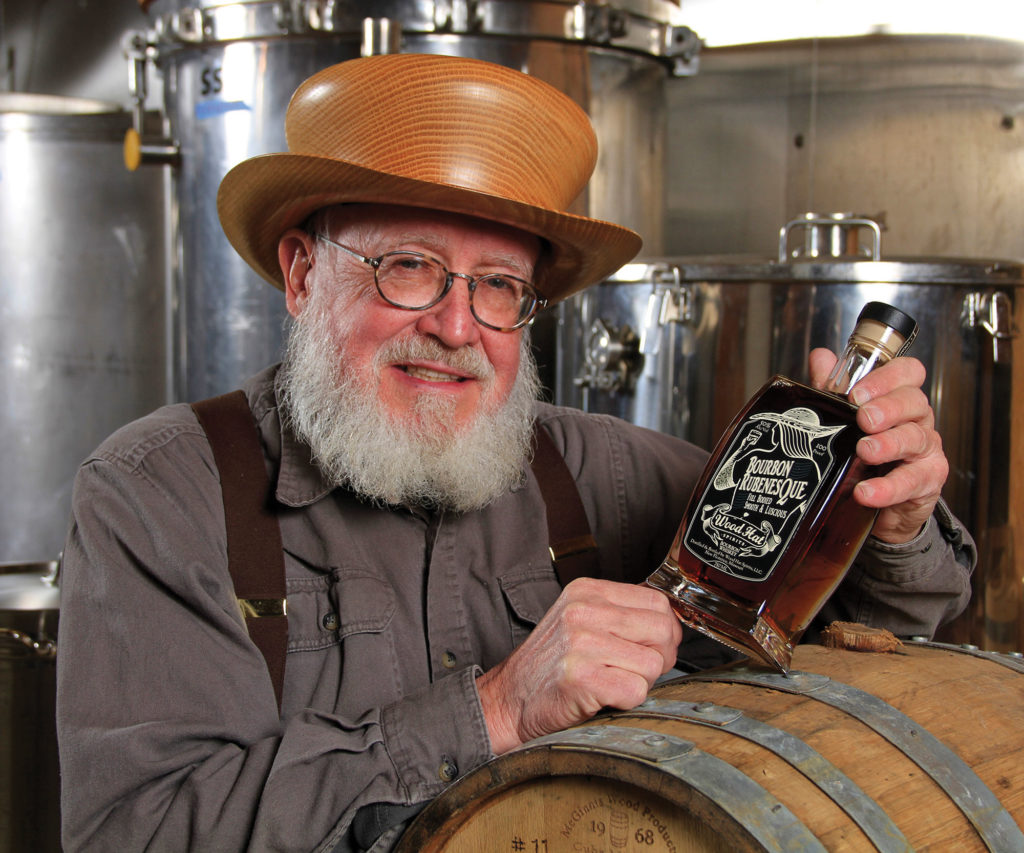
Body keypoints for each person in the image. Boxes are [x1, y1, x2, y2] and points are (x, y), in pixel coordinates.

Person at [56, 53, 974, 852]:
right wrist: (493, 709)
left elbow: (866, 624)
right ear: (302, 271)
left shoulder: (595, 470)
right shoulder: (161, 491)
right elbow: (138, 829)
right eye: (408, 265)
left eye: (499, 286)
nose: (457, 326)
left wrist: (891, 514)